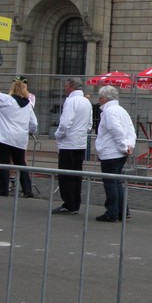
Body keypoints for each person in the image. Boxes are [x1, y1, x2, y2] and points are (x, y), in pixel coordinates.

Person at [0, 76, 38, 198]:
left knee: (3, 163)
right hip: (19, 138)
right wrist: (30, 131)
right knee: (21, 163)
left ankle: (4, 189)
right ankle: (27, 190)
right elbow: (34, 123)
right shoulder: (28, 105)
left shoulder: (6, 99)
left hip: (3, 137)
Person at [95, 85, 136, 222]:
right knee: (116, 182)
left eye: (100, 97)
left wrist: (124, 146)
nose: (99, 100)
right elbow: (130, 130)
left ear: (106, 98)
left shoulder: (109, 111)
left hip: (111, 152)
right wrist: (129, 145)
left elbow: (116, 131)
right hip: (119, 152)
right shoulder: (121, 110)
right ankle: (123, 211)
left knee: (110, 183)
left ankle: (112, 212)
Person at [52, 78, 92, 215]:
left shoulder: (70, 101)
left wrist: (58, 135)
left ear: (71, 87)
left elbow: (65, 123)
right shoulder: (87, 102)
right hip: (80, 142)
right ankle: (75, 203)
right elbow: (89, 125)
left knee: (65, 175)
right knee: (76, 175)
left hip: (68, 143)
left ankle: (68, 204)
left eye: (66, 86)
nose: (64, 88)